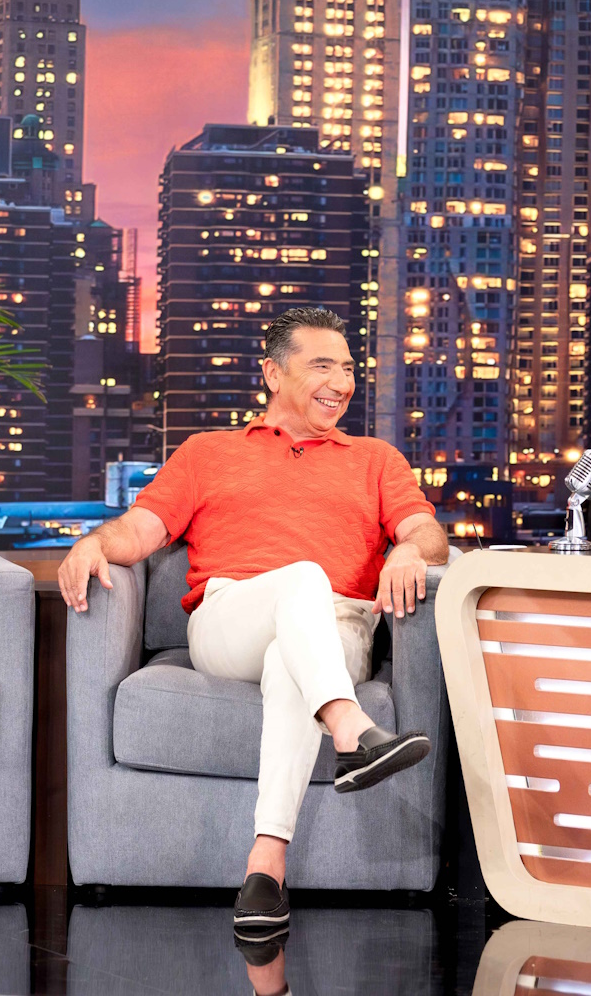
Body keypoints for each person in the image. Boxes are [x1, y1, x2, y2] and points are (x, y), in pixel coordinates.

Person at [56, 306, 450, 932]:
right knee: (303, 577)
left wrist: (407, 551)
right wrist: (92, 544)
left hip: (339, 626)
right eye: (322, 366)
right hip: (229, 619)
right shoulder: (207, 453)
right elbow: (140, 530)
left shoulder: (376, 459)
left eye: (349, 369)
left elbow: (427, 533)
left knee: (289, 661)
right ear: (273, 373)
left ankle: (265, 869)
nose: (341, 383)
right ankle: (350, 727)